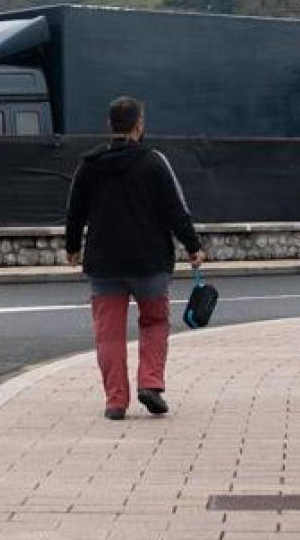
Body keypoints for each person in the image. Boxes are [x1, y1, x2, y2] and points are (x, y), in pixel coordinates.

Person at [65, 96, 205, 421]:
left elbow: (75, 212)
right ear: (139, 125)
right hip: (149, 262)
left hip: (104, 263)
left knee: (109, 334)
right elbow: (175, 210)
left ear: (109, 125)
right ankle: (150, 384)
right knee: (155, 322)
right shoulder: (154, 162)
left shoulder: (89, 165)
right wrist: (193, 246)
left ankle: (116, 401)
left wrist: (73, 247)